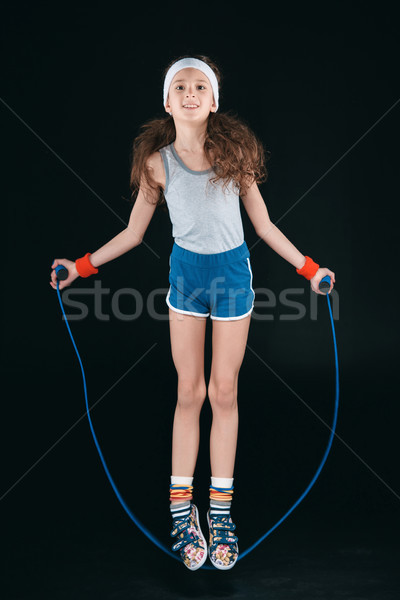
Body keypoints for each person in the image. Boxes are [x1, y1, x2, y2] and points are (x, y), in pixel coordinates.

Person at [50, 54, 336, 571]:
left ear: (213, 101)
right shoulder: (158, 163)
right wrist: (81, 267)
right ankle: (183, 511)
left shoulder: (236, 157)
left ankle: (220, 510)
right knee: (190, 391)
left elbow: (265, 228)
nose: (189, 93)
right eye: (179, 86)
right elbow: (134, 234)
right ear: (166, 101)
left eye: (199, 86)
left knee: (223, 392)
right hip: (186, 281)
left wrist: (310, 270)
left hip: (232, 280)